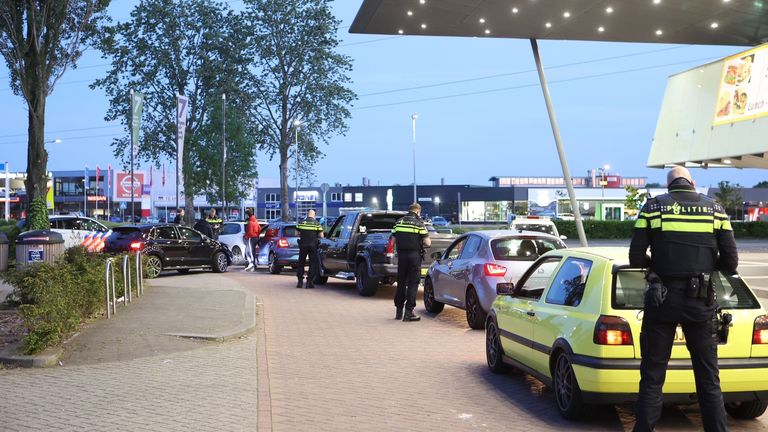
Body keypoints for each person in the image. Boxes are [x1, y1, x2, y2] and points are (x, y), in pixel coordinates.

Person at [629, 166, 737, 432]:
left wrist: (658, 266)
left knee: (652, 376)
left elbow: (635, 258)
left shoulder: (653, 208)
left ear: (669, 186)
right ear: (692, 182)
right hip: (701, 300)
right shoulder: (716, 209)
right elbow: (731, 262)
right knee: (708, 378)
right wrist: (706, 267)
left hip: (661, 299)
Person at [392, 203, 431, 321]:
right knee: (413, 283)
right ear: (418, 211)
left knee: (401, 283)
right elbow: (428, 243)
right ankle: (409, 312)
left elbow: (393, 240)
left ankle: (399, 312)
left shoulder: (398, 222)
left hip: (402, 257)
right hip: (414, 256)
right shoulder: (419, 224)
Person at [296, 209, 324, 288]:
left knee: (301, 263)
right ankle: (309, 282)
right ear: (314, 215)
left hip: (303, 245)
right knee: (312, 263)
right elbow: (321, 236)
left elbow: (297, 233)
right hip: (313, 246)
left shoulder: (301, 223)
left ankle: (300, 282)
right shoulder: (317, 224)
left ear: (307, 214)